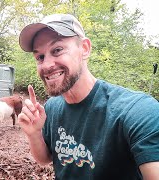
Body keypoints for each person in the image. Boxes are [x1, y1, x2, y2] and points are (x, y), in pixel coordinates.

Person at [17, 13, 159, 179]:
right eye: (40, 57)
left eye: (57, 50)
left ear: (84, 49)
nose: (47, 65)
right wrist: (34, 133)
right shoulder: (52, 107)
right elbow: (46, 158)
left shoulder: (137, 111)